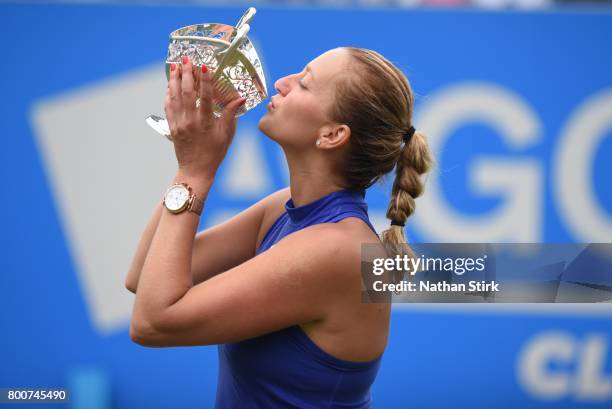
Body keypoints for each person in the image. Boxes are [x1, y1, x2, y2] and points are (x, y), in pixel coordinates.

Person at [125, 47, 432, 408]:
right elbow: (143, 277)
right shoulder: (283, 208)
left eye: (303, 84)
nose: (281, 83)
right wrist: (188, 165)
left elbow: (153, 322)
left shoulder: (336, 250)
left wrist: (194, 172)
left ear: (333, 134)